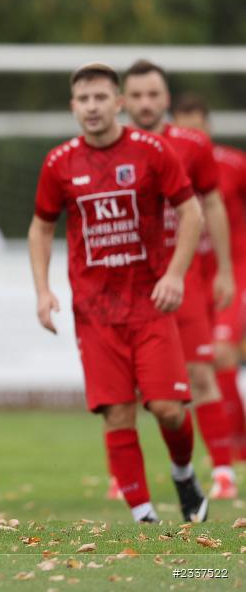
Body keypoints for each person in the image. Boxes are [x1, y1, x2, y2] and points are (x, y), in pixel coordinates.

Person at [29, 62, 207, 523]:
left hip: (150, 305)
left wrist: (174, 274)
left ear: (118, 103)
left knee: (168, 409)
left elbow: (192, 214)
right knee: (117, 414)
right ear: (73, 107)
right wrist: (43, 290)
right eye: (83, 100)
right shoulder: (59, 163)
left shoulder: (152, 151)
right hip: (96, 313)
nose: (92, 107)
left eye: (100, 98)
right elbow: (42, 228)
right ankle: (144, 517)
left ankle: (184, 473)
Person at [122, 60, 237, 499]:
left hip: (183, 277)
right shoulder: (107, 149)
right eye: (137, 95)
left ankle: (223, 471)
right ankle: (126, 475)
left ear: (166, 98)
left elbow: (213, 206)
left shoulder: (191, 145)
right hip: (128, 285)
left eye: (154, 94)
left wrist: (224, 269)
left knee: (201, 372)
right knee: (131, 385)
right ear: (123, 101)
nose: (146, 103)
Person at [172, 94, 246, 466]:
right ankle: (230, 448)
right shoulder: (165, 164)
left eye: (197, 129)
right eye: (184, 130)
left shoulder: (234, 164)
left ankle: (236, 450)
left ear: (209, 128)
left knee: (221, 353)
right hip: (190, 277)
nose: (192, 138)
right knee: (199, 366)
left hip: (233, 270)